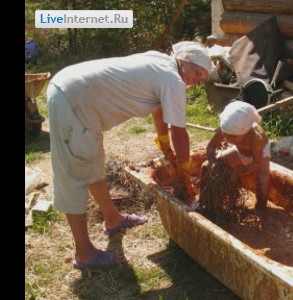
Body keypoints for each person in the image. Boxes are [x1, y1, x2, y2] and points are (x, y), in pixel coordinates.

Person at [46, 41, 212, 270]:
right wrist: (185, 178)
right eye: (197, 73)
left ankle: (112, 219)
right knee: (75, 173)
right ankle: (84, 253)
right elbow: (180, 133)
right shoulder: (173, 80)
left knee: (93, 159)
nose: (197, 80)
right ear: (184, 62)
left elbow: (159, 111)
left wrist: (165, 147)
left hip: (78, 93)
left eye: (202, 78)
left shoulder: (162, 62)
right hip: (72, 98)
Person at [199, 100, 270, 209]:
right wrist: (213, 162)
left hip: (259, 155)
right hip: (240, 151)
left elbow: (256, 162)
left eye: (233, 137)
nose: (228, 139)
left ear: (245, 132)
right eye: (226, 135)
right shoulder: (227, 128)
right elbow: (211, 147)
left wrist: (237, 172)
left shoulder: (255, 137)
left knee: (261, 187)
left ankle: (262, 211)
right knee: (206, 167)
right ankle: (203, 202)